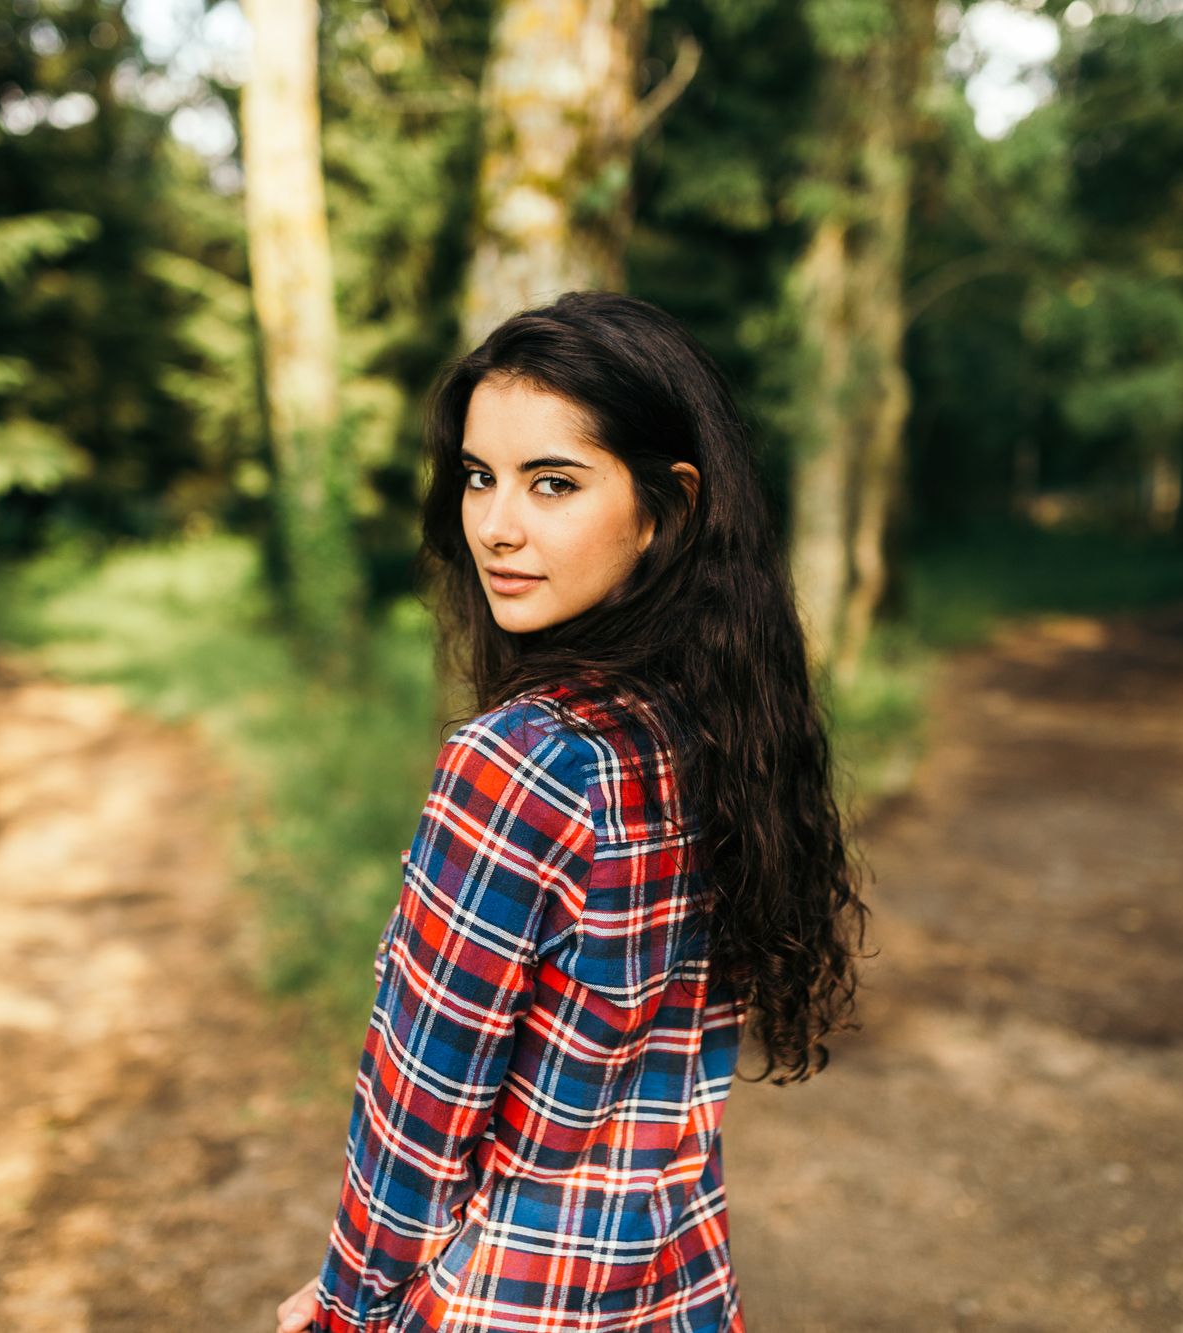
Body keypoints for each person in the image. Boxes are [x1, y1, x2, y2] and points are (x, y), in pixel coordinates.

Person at [277, 292, 865, 1333]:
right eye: (477, 476)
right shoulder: (719, 730)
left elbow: (419, 1113)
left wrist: (343, 1310)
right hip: (676, 1292)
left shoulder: (517, 765)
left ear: (664, 506)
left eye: (552, 483)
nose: (495, 526)